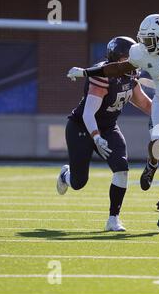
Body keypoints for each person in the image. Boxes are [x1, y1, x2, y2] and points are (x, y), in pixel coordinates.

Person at [67, 14, 159, 233]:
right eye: (144, 39)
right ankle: (152, 164)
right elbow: (116, 69)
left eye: (151, 39)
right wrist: (86, 72)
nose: (146, 44)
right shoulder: (140, 52)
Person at [57, 36, 152, 232]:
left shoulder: (131, 76)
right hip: (82, 128)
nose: (132, 62)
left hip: (108, 127)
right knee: (78, 183)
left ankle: (113, 219)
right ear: (117, 58)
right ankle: (66, 175)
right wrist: (96, 136)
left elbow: (144, 103)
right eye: (128, 57)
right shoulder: (103, 74)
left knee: (122, 168)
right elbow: (88, 113)